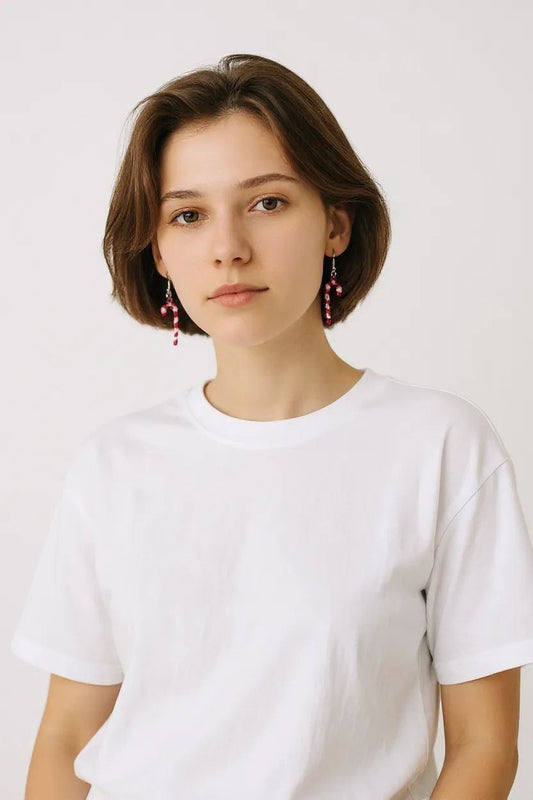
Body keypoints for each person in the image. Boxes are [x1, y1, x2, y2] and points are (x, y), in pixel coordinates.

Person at [11, 53, 533, 800]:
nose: (227, 246)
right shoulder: (115, 465)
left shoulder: (439, 448)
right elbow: (66, 737)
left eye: (266, 202)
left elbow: (484, 745)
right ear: (159, 251)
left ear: (335, 224)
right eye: (188, 215)